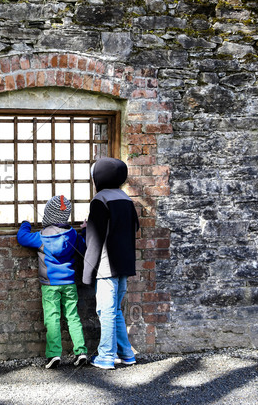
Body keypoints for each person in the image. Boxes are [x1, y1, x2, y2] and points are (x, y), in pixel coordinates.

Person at [17, 195, 88, 369]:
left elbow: (22, 237)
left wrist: (26, 223)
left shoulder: (41, 237)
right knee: (73, 316)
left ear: (48, 214)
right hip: (69, 283)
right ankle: (81, 351)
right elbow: (84, 247)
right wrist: (85, 230)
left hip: (49, 285)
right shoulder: (72, 234)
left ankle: (54, 354)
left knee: (52, 318)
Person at [83, 157, 140, 370]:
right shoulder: (125, 198)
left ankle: (106, 355)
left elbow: (95, 237)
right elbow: (133, 227)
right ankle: (126, 353)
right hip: (125, 263)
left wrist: (88, 269)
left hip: (107, 265)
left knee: (105, 310)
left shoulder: (100, 200)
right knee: (115, 310)